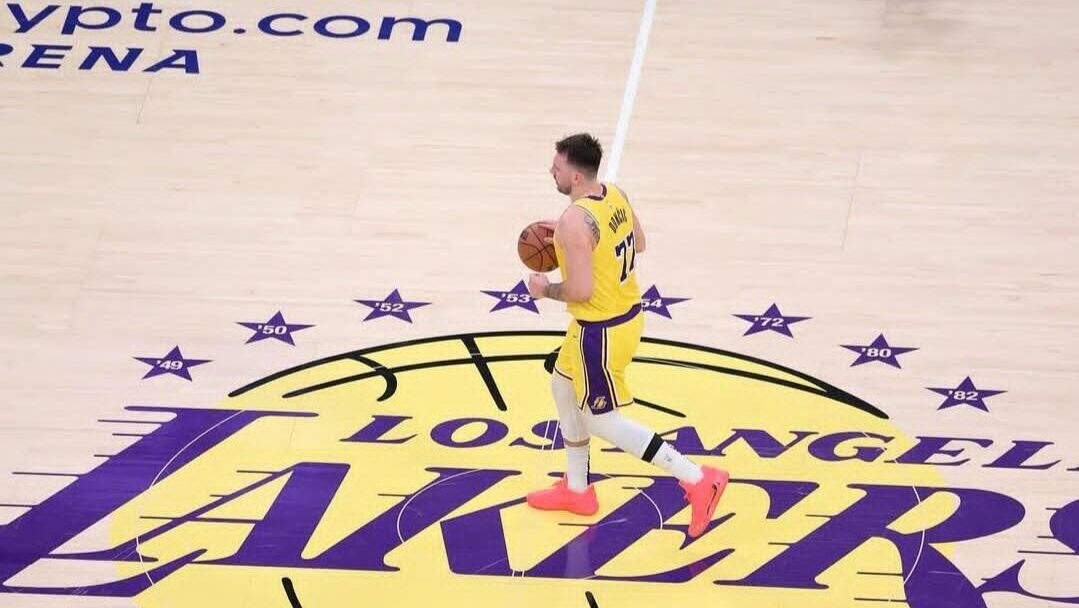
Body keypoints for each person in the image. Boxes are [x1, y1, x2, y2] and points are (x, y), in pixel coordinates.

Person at [525, 133, 728, 538]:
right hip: (625, 314)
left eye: (558, 166)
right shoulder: (613, 194)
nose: (551, 170)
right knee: (562, 386)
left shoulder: (574, 222)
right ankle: (578, 490)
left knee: (600, 420)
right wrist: (572, 239)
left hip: (600, 331)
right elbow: (640, 242)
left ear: (576, 176)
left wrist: (544, 289)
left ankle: (697, 477)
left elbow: (580, 291)